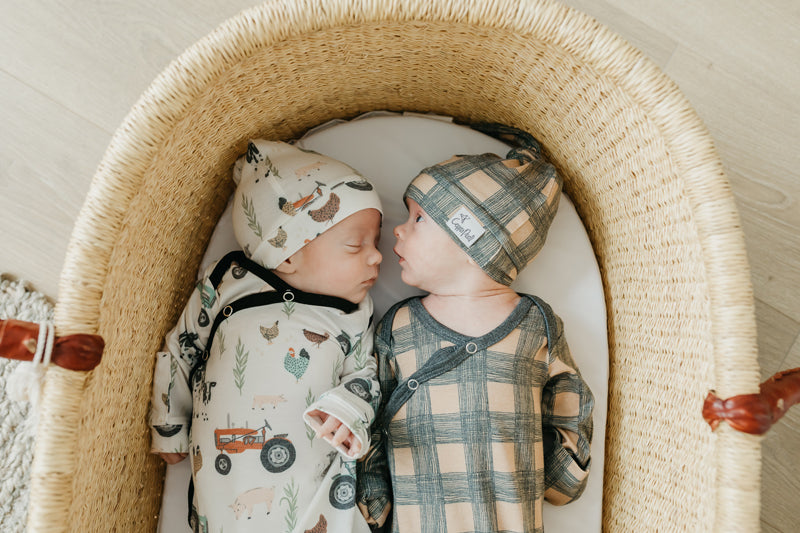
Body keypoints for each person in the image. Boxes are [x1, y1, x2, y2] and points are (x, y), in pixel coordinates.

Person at [357, 125, 594, 532]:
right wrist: (373, 500)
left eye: (418, 218)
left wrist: (561, 473)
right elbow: (371, 411)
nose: (398, 228)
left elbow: (569, 395)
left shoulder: (535, 325)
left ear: (470, 241)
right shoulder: (400, 325)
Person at [149, 140, 383, 533]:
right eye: (355, 245)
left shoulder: (352, 315)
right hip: (225, 493)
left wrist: (348, 412)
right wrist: (169, 422)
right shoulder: (230, 286)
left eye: (374, 243)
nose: (376, 257)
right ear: (286, 255)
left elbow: (365, 377)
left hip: (315, 494)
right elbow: (182, 347)